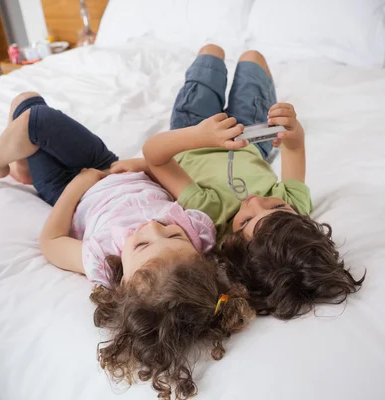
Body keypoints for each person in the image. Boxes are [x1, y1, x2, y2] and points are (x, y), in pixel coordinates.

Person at [0, 92, 255, 399]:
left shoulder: (103, 260)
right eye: (173, 235)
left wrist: (79, 185)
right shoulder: (198, 231)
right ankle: (20, 165)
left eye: (142, 244)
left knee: (29, 112)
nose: (152, 227)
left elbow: (50, 242)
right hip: (108, 165)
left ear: (124, 284)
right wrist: (137, 167)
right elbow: (160, 169)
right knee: (34, 112)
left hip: (68, 189)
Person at [143, 44, 364, 320]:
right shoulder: (295, 209)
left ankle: (213, 58)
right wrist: (293, 130)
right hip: (250, 136)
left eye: (246, 221)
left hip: (193, 132)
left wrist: (200, 136)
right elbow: (294, 147)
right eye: (276, 207)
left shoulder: (209, 213)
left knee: (211, 54)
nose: (256, 201)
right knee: (253, 57)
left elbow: (155, 156)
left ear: (231, 245)